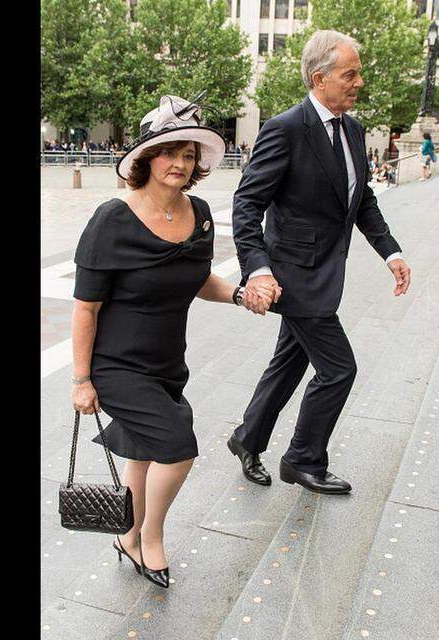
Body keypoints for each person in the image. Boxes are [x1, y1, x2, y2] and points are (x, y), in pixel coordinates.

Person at [70, 95, 278, 590]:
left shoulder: (200, 213)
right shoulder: (111, 220)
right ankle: (149, 536)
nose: (181, 164)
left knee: (143, 452)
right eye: (170, 153)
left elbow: (197, 277)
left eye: (189, 155)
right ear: (146, 158)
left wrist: (238, 294)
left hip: (167, 361)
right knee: (176, 447)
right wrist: (81, 380)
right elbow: (86, 308)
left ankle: (127, 535)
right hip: (118, 365)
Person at [228, 30, 411, 495]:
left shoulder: (351, 127)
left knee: (290, 362)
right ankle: (302, 459)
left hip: (324, 270)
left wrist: (390, 251)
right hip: (293, 275)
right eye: (350, 74)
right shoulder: (285, 129)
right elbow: (247, 203)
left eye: (358, 73)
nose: (359, 82)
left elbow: (360, 198)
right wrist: (258, 269)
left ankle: (247, 439)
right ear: (319, 78)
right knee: (338, 369)